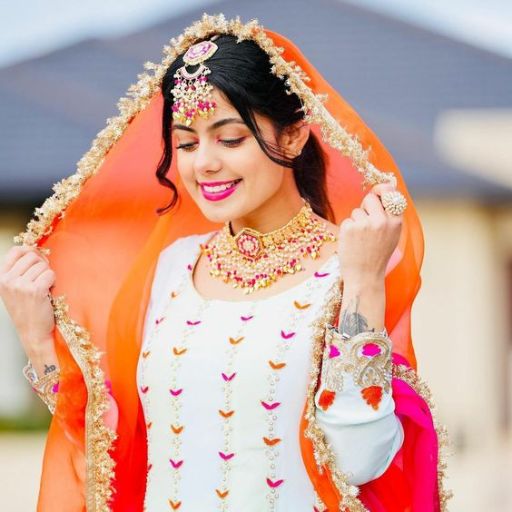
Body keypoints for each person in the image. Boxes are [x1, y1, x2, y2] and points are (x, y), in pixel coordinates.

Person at [0, 14, 450, 512]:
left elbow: (360, 460)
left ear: (295, 136)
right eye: (187, 142)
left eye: (230, 139)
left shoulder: (353, 267)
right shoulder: (171, 269)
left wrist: (364, 281)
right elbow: (108, 448)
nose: (203, 163)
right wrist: (39, 342)